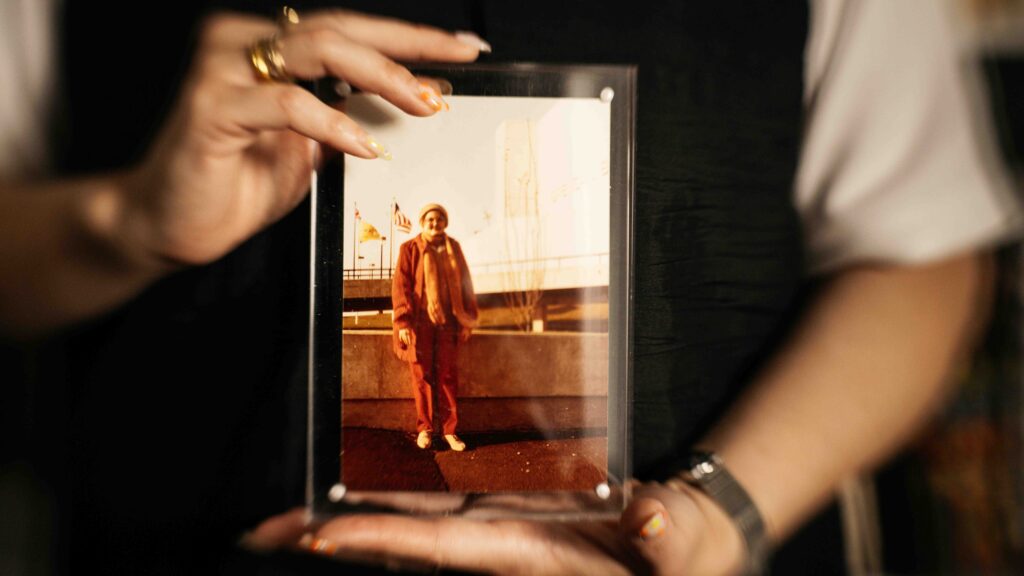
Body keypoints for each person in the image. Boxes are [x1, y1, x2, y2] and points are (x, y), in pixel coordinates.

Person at [0, 1, 1018, 574]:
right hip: (175, 548)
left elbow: (920, 249)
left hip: (688, 542)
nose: (436, 222)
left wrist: (720, 519)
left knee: (452, 391)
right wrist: (125, 220)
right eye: (434, 219)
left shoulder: (449, 251)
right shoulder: (415, 252)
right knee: (430, 402)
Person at [391, 203, 478, 452]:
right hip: (419, 323)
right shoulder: (409, 249)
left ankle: (450, 431)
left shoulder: (454, 249)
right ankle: (426, 429)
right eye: (430, 219)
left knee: (448, 375)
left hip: (449, 322)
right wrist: (403, 322)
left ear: (445, 223)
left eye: (439, 219)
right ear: (422, 222)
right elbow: (401, 287)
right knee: (422, 377)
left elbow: (465, 284)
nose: (435, 223)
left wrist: (467, 319)